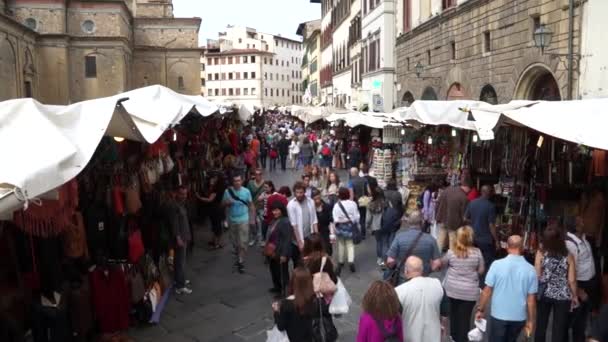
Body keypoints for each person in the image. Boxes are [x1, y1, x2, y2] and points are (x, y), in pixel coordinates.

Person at [476, 235, 538, 342]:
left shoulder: (496, 265)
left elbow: (487, 291)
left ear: (507, 247)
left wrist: (481, 309)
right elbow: (531, 300)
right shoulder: (531, 270)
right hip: (519, 317)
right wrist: (531, 321)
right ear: (522, 248)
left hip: (498, 315)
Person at [440, 226, 485, 342]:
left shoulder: (451, 252)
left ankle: (453, 337)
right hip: (469, 291)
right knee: (464, 319)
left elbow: (443, 264)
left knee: (453, 316)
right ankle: (462, 338)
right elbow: (481, 270)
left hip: (452, 289)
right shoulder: (477, 252)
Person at [534, 225, 578, 342]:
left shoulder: (541, 253)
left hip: (544, 293)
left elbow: (537, 274)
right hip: (563, 296)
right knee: (559, 328)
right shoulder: (568, 256)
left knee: (541, 325)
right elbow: (572, 280)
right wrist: (575, 296)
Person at [273, 267, 336, 342]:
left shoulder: (286, 304)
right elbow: (329, 313)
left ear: (293, 282)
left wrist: (276, 311)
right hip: (314, 337)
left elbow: (281, 326)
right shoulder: (317, 300)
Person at [395, 256, 445, 342]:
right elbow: (445, 313)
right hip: (433, 337)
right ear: (422, 270)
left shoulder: (399, 291)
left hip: (409, 337)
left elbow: (395, 320)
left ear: (406, 271)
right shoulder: (437, 284)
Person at [386, 211, 441, 285]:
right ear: (422, 223)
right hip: (423, 279)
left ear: (408, 222)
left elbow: (390, 261)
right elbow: (437, 264)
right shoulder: (431, 239)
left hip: (403, 278)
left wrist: (396, 266)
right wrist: (428, 270)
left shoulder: (399, 237)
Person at [565, 216, 597, 342]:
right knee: (576, 320)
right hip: (579, 285)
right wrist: (578, 291)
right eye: (582, 222)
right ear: (577, 227)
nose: (585, 223)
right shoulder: (570, 244)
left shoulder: (582, 238)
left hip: (588, 283)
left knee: (582, 320)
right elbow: (569, 272)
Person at [465, 184, 497, 283]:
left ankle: (472, 280)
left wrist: (473, 222)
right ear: (489, 193)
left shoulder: (472, 203)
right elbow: (491, 225)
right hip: (486, 239)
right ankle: (482, 284)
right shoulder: (491, 206)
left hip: (474, 238)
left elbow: (465, 218)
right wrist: (496, 240)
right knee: (486, 262)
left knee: (474, 261)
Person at [222, 174, 253, 274]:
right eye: (235, 181)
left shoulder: (246, 191)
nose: (237, 182)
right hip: (232, 219)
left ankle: (240, 261)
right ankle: (238, 252)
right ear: (232, 182)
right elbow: (222, 205)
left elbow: (250, 204)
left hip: (243, 219)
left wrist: (252, 219)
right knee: (234, 241)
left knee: (242, 242)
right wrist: (227, 203)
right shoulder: (227, 192)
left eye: (239, 180)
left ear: (242, 181)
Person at [168, 186, 193, 294]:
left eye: (185, 194)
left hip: (184, 236)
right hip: (180, 238)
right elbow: (175, 224)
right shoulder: (174, 206)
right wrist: (178, 238)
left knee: (180, 260)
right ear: (177, 194)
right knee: (180, 261)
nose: (184, 196)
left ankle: (180, 279)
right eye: (182, 194)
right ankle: (180, 285)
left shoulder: (181, 205)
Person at [287, 182, 318, 265]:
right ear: (294, 192)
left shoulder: (310, 201)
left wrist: (317, 236)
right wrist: (299, 242)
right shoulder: (291, 205)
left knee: (311, 262)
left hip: (309, 238)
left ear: (304, 192)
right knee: (298, 263)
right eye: (297, 192)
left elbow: (314, 220)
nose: (299, 194)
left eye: (301, 192)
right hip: (297, 240)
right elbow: (294, 225)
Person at [436, 180, 470, 251]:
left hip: (442, 219)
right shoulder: (464, 197)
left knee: (440, 239)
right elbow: (464, 214)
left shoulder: (447, 190)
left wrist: (437, 216)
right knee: (452, 242)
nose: (469, 192)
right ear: (467, 187)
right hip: (453, 223)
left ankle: (436, 256)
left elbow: (438, 203)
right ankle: (451, 259)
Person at [266, 202, 293, 295]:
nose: (275, 212)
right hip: (273, 251)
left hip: (280, 251)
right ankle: (277, 287)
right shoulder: (274, 221)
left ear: (281, 210)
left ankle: (284, 291)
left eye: (277, 210)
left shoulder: (285, 222)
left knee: (282, 273)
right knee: (274, 270)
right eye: (273, 210)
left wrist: (284, 254)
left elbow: (287, 239)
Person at [333, 187, 360, 275]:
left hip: (340, 227)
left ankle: (341, 261)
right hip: (350, 227)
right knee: (350, 244)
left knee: (341, 244)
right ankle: (351, 261)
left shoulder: (337, 205)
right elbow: (356, 216)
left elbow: (335, 219)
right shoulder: (353, 204)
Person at [195, 174, 225, 250]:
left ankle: (217, 243)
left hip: (216, 209)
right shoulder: (214, 187)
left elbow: (210, 199)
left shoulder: (217, 188)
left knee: (217, 226)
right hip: (214, 209)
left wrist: (199, 197)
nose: (212, 179)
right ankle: (214, 241)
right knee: (215, 225)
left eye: (214, 178)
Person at [366, 187, 389, 266]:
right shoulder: (386, 203)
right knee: (385, 242)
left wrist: (368, 226)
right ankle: (385, 259)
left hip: (376, 226)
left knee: (379, 242)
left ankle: (379, 259)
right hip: (386, 224)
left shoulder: (370, 204)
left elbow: (368, 219)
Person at [261, 181, 288, 245]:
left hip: (270, 221)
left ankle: (265, 240)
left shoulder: (270, 198)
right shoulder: (284, 199)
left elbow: (267, 211)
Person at [348, 167, 368, 240]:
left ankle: (356, 233)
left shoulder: (351, 182)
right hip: (363, 201)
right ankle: (363, 234)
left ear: (352, 173)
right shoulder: (364, 180)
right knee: (363, 217)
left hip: (355, 202)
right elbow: (369, 191)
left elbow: (351, 194)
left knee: (354, 218)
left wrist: (350, 202)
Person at [247, 169, 266, 247]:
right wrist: (249, 204)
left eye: (260, 174)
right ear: (254, 175)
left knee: (261, 223)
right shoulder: (250, 183)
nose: (258, 176)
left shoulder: (265, 183)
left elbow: (269, 192)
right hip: (252, 206)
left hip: (262, 206)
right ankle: (254, 237)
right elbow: (247, 194)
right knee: (252, 223)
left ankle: (261, 239)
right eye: (256, 174)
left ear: (262, 175)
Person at [312, 189, 334, 256]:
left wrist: (332, 233)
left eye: (318, 198)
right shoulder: (311, 208)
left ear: (320, 196)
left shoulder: (327, 206)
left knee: (328, 250)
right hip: (316, 232)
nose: (317, 201)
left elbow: (331, 220)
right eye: (315, 199)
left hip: (326, 231)